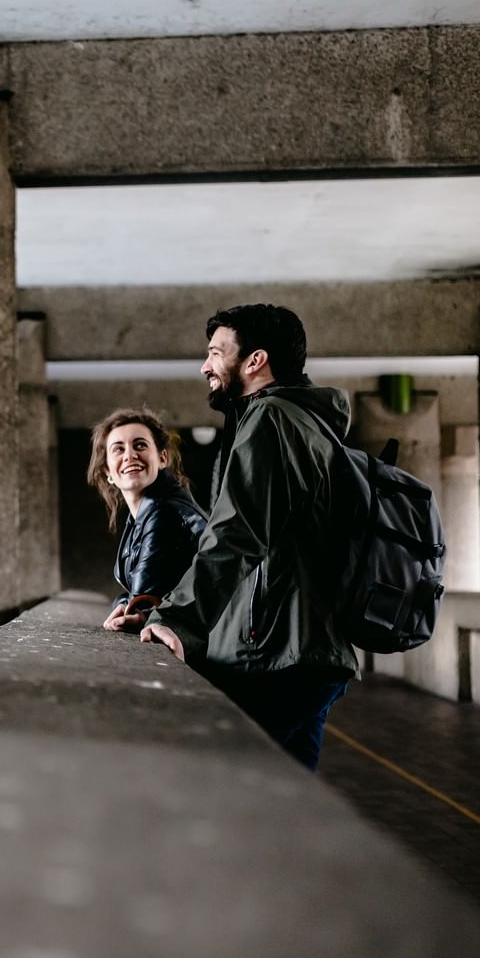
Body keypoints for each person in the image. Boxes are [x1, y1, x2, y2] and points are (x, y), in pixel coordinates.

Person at [142, 304, 356, 771]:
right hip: (310, 653)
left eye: (217, 353)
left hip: (274, 656)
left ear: (254, 360)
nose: (205, 366)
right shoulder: (311, 422)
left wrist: (178, 620)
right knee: (286, 812)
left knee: (223, 786)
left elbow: (237, 533)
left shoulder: (272, 420)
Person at [86, 408, 207, 633]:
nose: (130, 455)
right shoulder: (145, 513)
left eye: (140, 445)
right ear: (107, 472)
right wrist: (123, 602)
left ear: (162, 458)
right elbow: (135, 598)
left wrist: (129, 606)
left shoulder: (164, 511)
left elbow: (139, 605)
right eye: (118, 449)